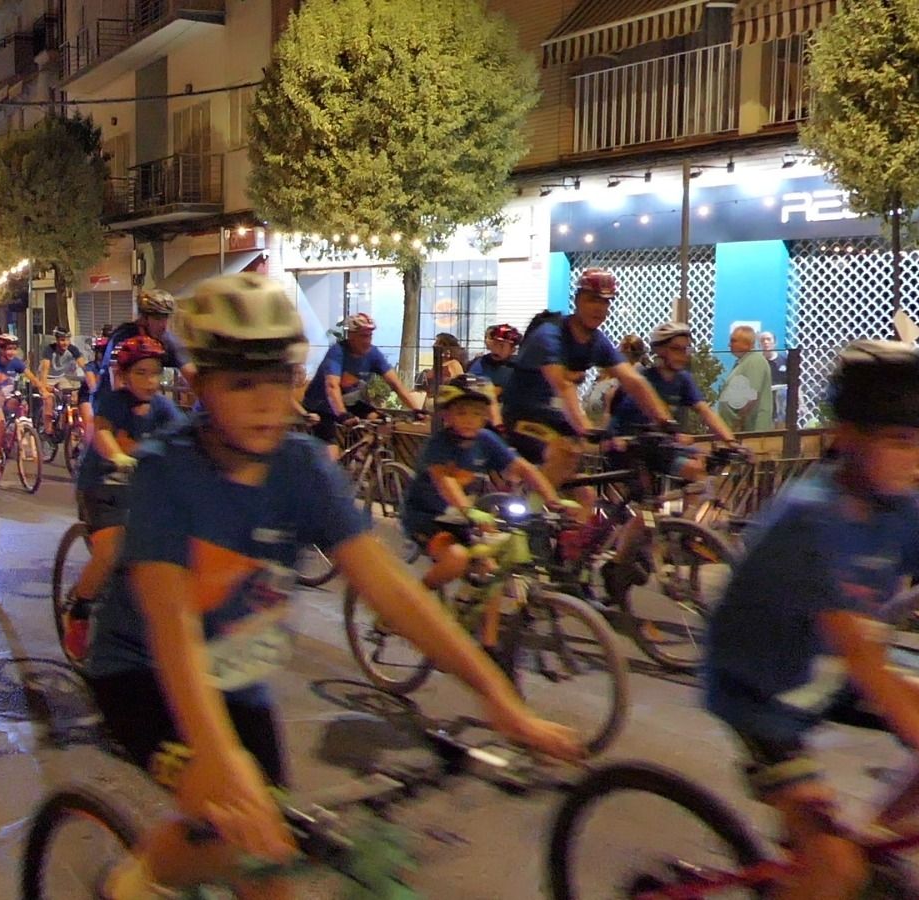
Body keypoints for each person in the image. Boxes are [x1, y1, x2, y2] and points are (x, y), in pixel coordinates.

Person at [85, 273, 580, 898]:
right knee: (228, 826)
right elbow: (172, 626)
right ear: (200, 386)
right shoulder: (165, 471)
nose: (266, 401)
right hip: (144, 675)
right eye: (242, 383)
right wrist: (218, 757)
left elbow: (392, 591)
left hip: (237, 676)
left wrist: (499, 700)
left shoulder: (303, 468)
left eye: (278, 378)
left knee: (275, 868)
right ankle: (130, 886)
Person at [704, 340, 919, 900]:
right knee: (837, 872)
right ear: (847, 437)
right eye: (900, 440)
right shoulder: (810, 522)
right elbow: (869, 665)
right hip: (761, 698)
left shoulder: (897, 506)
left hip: (823, 675)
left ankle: (874, 835)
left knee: (860, 859)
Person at [60, 335, 184, 664]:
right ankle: (80, 611)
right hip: (102, 487)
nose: (150, 381)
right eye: (141, 373)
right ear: (125, 376)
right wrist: (117, 456)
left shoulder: (164, 408)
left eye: (155, 373)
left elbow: (185, 439)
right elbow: (101, 432)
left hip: (145, 490)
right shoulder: (114, 402)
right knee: (111, 549)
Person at [500, 269, 673, 500]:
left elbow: (633, 381)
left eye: (605, 302)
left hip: (556, 419)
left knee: (586, 497)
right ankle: (528, 515)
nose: (599, 308)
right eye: (592, 299)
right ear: (577, 299)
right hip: (524, 416)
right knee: (565, 452)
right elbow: (562, 384)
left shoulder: (597, 341)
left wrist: (664, 420)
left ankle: (559, 525)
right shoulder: (549, 335)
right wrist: (583, 426)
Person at [601, 322, 739, 601]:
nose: (683, 355)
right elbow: (617, 415)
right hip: (628, 448)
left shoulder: (683, 380)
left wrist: (731, 442)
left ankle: (682, 533)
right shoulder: (644, 379)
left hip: (658, 446)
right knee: (645, 512)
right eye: (676, 349)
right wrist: (616, 437)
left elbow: (705, 411)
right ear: (660, 351)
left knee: (699, 474)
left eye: (685, 349)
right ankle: (617, 565)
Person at [403, 375, 570, 595]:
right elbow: (446, 483)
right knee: (456, 559)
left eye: (477, 413)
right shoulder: (438, 445)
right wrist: (470, 512)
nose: (469, 419)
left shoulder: (486, 440)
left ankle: (478, 623)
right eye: (461, 412)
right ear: (446, 415)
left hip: (463, 519)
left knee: (495, 574)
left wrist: (553, 500)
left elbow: (524, 469)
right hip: (427, 519)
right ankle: (412, 603)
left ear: (485, 416)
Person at [301, 312, 423, 457]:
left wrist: (416, 409)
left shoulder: (373, 354)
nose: (367, 341)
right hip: (321, 405)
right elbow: (332, 386)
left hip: (348, 402)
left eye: (370, 336)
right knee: (331, 455)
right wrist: (342, 414)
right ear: (351, 336)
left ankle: (359, 457)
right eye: (363, 336)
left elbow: (395, 384)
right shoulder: (337, 352)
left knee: (381, 422)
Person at [97, 290, 195, 409]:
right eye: (158, 318)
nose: (164, 325)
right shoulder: (123, 338)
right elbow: (117, 382)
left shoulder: (167, 340)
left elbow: (192, 375)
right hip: (111, 402)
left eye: (166, 318)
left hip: (147, 401)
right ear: (144, 318)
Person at [716, 325, 774, 433]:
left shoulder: (755, 361)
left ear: (747, 343)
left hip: (751, 431)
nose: (729, 345)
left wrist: (738, 424)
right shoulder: (744, 361)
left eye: (734, 341)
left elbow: (751, 397)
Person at [583, 334, 647, 421]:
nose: (623, 356)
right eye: (621, 351)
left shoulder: (636, 374)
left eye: (629, 353)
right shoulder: (604, 374)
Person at [467, 323, 521, 393]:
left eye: (502, 346)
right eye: (494, 344)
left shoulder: (519, 367)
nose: (496, 349)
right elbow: (470, 384)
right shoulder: (480, 363)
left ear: (512, 350)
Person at [762, 331, 789, 419]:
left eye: (768, 339)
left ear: (775, 342)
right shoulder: (758, 362)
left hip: (782, 405)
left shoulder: (784, 360)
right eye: (762, 340)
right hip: (764, 404)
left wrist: (802, 404)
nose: (766, 342)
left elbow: (794, 383)